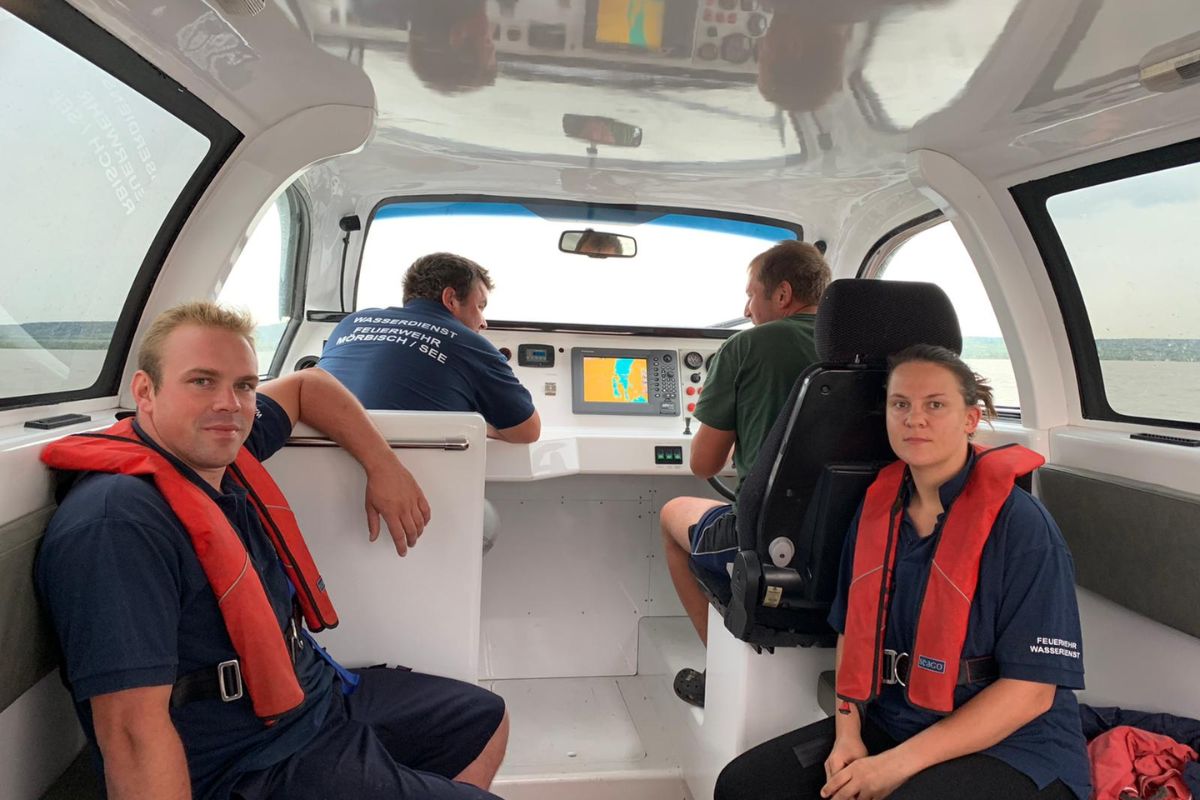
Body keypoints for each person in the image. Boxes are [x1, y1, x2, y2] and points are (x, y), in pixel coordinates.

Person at [36, 302, 509, 800]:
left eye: (244, 385)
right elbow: (131, 735)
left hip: (312, 703)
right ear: (145, 392)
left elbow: (309, 386)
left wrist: (382, 464)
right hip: (247, 762)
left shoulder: (218, 449)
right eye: (202, 381)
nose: (229, 403)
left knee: (483, 719)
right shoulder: (119, 526)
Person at [714, 345, 1090, 800]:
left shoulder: (1023, 526)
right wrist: (848, 734)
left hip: (1017, 746)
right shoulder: (878, 512)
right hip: (895, 723)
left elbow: (1031, 692)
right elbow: (853, 630)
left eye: (936, 404)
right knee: (744, 786)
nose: (915, 419)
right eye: (901, 404)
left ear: (970, 419)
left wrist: (894, 766)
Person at [661, 239, 831, 707]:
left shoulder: (746, 346)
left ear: (782, 294)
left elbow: (704, 464)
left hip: (766, 543)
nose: (746, 309)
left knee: (672, 515)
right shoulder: (865, 348)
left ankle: (719, 674)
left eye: (751, 294)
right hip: (850, 542)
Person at [318, 251, 541, 445]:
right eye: (480, 306)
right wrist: (473, 424)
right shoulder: (469, 344)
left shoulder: (350, 323)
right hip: (413, 476)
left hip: (321, 470)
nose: (484, 323)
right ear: (451, 299)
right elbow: (527, 431)